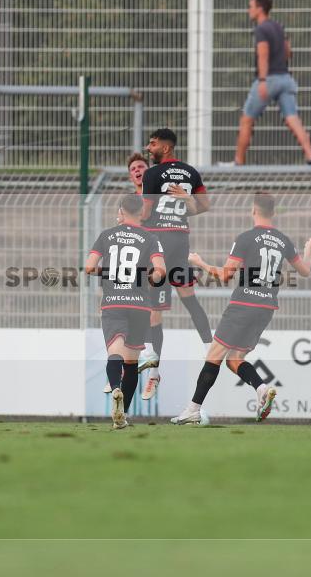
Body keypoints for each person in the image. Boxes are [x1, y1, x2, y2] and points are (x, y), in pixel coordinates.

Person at [171, 192, 311, 424]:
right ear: (273, 212)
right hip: (266, 307)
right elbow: (306, 271)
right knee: (235, 359)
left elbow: (225, 275)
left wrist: (200, 263)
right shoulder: (283, 240)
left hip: (243, 304)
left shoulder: (247, 238)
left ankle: (193, 409)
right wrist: (309, 249)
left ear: (253, 210)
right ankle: (261, 388)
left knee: (214, 356)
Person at [140, 128, 212, 400]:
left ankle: (153, 371)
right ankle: (209, 347)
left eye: (153, 143)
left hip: (158, 244)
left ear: (166, 147)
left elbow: (145, 213)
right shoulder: (191, 173)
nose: (149, 148)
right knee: (189, 298)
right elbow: (204, 206)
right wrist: (186, 199)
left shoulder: (152, 174)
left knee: (153, 310)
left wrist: (130, 217)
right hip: (180, 241)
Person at [85, 194, 166, 429]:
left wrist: (110, 273)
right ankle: (123, 415)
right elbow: (160, 271)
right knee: (131, 363)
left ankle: (115, 389)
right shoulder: (150, 238)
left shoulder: (106, 235)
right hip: (139, 305)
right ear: (142, 212)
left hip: (114, 303)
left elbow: (89, 267)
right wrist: (148, 279)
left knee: (115, 353)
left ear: (121, 211)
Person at [102, 152, 163, 400]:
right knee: (134, 312)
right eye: (133, 169)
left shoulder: (157, 198)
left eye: (142, 167)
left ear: (150, 172)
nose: (138, 171)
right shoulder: (129, 203)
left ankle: (153, 370)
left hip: (155, 263)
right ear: (130, 176)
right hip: (132, 270)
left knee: (154, 313)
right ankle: (123, 370)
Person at [233, 0, 311, 166]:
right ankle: (310, 155)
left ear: (260, 9)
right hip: (285, 79)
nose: (249, 10)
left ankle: (238, 162)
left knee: (247, 120)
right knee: (292, 118)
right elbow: (288, 52)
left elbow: (263, 55)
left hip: (268, 79)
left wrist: (263, 81)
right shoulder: (278, 26)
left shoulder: (261, 29)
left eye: (251, 6)